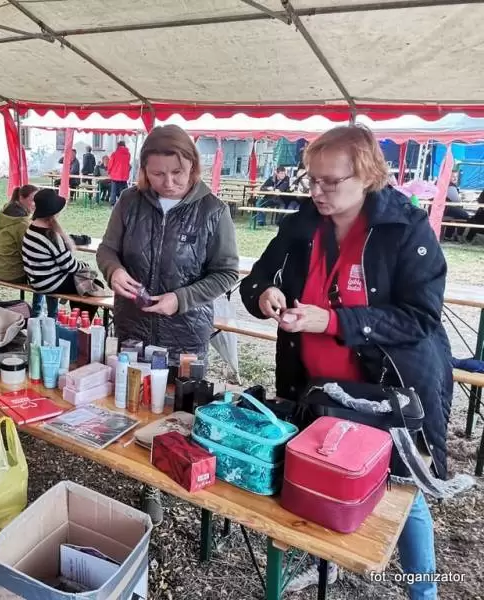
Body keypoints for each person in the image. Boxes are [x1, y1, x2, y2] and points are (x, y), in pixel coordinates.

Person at [239, 125, 450, 599]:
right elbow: (255, 280)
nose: (317, 191)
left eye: (330, 182)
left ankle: (424, 592)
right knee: (322, 478)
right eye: (311, 179)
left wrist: (333, 320)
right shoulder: (303, 223)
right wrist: (265, 294)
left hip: (385, 394)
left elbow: (420, 318)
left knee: (402, 495)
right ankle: (327, 565)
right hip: (315, 385)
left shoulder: (405, 228)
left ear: (368, 175)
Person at [96, 125, 239, 525]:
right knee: (136, 402)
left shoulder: (213, 211)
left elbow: (226, 272)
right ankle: (146, 479)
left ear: (193, 167)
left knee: (181, 410)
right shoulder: (129, 201)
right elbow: (107, 249)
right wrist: (113, 270)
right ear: (144, 170)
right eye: (157, 174)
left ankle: (180, 475)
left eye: (177, 173)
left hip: (186, 331)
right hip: (134, 325)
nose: (168, 182)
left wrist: (181, 299)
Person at [22, 188, 89, 311]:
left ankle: (62, 314)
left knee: (81, 282)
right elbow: (69, 266)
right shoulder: (51, 235)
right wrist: (85, 266)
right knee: (91, 284)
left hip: (35, 280)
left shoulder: (30, 229)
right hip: (50, 283)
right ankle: (80, 319)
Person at [0, 184, 55, 316]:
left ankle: (38, 311)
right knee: (50, 276)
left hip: (0, 269)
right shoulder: (21, 223)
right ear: (21, 198)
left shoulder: (5, 213)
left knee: (43, 271)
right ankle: (48, 316)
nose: (35, 204)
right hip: (13, 273)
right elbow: (32, 251)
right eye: (33, 200)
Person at [442, 170, 469, 241]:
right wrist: (462, 199)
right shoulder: (450, 186)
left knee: (455, 214)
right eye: (453, 176)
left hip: (440, 208)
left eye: (456, 176)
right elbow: (457, 201)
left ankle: (448, 235)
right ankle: (459, 235)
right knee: (465, 215)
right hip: (445, 208)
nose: (455, 178)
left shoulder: (442, 183)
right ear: (448, 177)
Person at [108, 141, 131, 205]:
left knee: (114, 190)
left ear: (118, 146)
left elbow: (110, 164)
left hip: (115, 175)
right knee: (123, 190)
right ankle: (123, 202)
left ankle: (113, 203)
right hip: (124, 175)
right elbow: (128, 164)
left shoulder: (114, 154)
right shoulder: (128, 154)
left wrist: (109, 171)